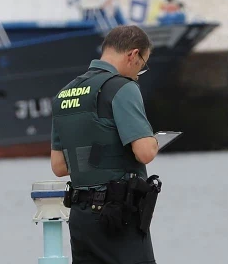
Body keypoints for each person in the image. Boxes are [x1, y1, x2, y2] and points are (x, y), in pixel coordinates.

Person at [50, 25, 161, 264]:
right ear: (133, 55)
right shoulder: (122, 87)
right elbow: (145, 152)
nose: (140, 71)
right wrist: (153, 139)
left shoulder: (64, 94)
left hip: (81, 218)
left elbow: (59, 166)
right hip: (118, 215)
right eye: (143, 64)